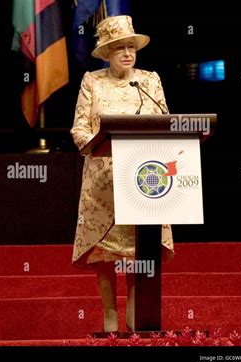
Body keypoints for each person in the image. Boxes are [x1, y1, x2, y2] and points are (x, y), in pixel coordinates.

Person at [70, 15, 174, 332]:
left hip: (143, 177)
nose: (127, 53)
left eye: (131, 47)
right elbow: (79, 129)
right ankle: (109, 312)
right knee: (105, 252)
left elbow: (165, 121)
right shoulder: (92, 81)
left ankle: (133, 308)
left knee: (138, 247)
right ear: (107, 53)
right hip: (102, 179)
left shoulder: (150, 80)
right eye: (119, 49)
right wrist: (96, 146)